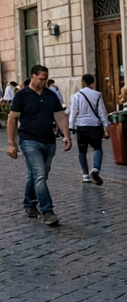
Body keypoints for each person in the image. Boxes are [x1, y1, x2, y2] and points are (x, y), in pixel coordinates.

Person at [7, 65, 71, 226]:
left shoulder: (51, 95)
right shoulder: (22, 95)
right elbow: (12, 118)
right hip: (29, 139)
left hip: (49, 140)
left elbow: (60, 116)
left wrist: (67, 135)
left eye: (46, 79)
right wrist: (11, 143)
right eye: (41, 79)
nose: (44, 82)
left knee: (37, 174)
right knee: (40, 174)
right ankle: (47, 211)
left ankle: (29, 202)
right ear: (33, 77)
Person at [70, 73, 109, 186]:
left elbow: (74, 112)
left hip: (81, 126)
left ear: (83, 82)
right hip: (94, 125)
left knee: (82, 150)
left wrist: (71, 126)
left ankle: (85, 175)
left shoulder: (77, 95)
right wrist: (106, 126)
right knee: (97, 148)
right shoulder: (97, 95)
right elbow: (102, 111)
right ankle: (95, 169)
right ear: (93, 83)